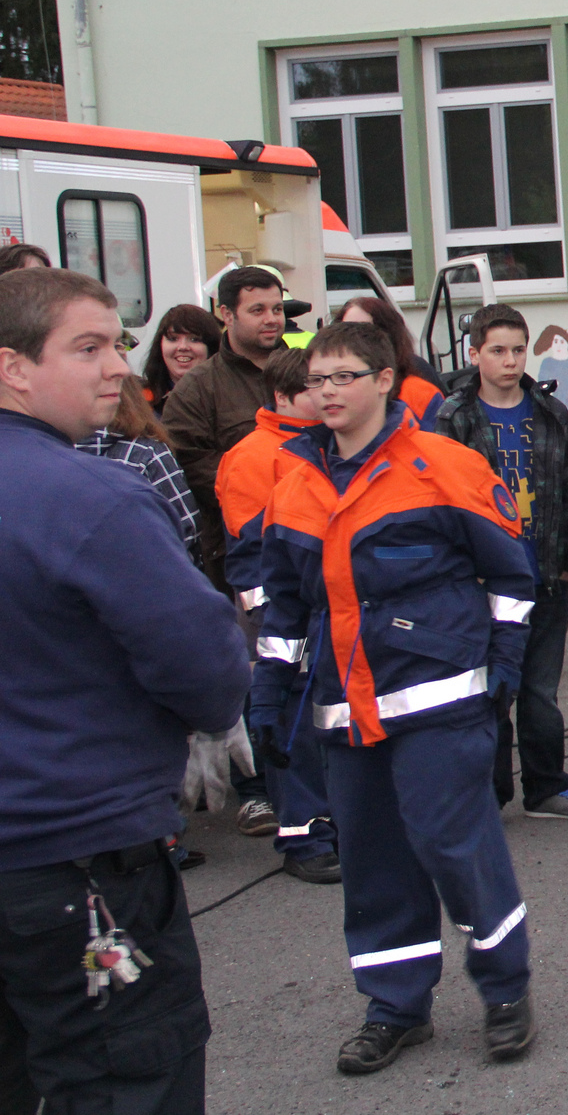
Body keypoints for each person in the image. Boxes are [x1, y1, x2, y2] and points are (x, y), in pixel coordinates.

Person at [0, 266, 249, 1115]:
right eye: (88, 346)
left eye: (117, 343)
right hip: (78, 858)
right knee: (124, 1079)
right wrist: (208, 717)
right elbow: (205, 662)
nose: (117, 365)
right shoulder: (92, 496)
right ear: (13, 368)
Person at [257, 322, 537, 1075]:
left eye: (343, 376)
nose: (328, 392)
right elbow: (284, 606)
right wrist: (268, 693)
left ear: (385, 379)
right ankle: (396, 1005)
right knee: (374, 863)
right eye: (317, 380)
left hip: (438, 701)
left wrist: (502, 670)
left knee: (456, 847)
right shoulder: (295, 477)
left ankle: (506, 989)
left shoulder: (441, 464)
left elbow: (512, 578)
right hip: (345, 710)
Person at [437, 304, 568, 823]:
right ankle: (486, 793)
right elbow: (440, 500)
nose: (509, 362)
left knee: (540, 691)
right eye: (497, 351)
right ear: (475, 354)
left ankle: (547, 788)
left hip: (544, 574)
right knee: (488, 690)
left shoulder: (548, 413)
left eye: (516, 350)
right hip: (481, 581)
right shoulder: (454, 418)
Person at [163, 264, 286, 838]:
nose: (271, 319)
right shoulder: (200, 389)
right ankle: (255, 790)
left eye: (277, 308)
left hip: (312, 547)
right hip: (235, 555)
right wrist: (258, 485)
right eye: (257, 309)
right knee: (250, 671)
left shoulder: (303, 368)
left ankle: (306, 779)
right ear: (226, 314)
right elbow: (183, 462)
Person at [214, 346, 341, 886]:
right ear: (290, 395)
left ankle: (336, 826)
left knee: (331, 727)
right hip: (291, 620)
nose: (331, 393)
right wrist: (276, 619)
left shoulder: (324, 447)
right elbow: (251, 552)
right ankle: (303, 836)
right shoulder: (253, 456)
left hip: (334, 615)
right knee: (294, 727)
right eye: (319, 385)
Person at [77, 375, 204, 559]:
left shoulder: (49, 452)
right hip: (148, 570)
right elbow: (186, 526)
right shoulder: (147, 453)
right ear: (133, 400)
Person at [337, 296, 445, 431]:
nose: (355, 338)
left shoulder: (418, 390)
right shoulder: (330, 390)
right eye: (346, 329)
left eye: (365, 330)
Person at [141, 305, 221, 409]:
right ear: (159, 345)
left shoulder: (230, 397)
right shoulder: (139, 401)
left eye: (194, 339)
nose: (183, 347)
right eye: (173, 338)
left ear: (211, 347)